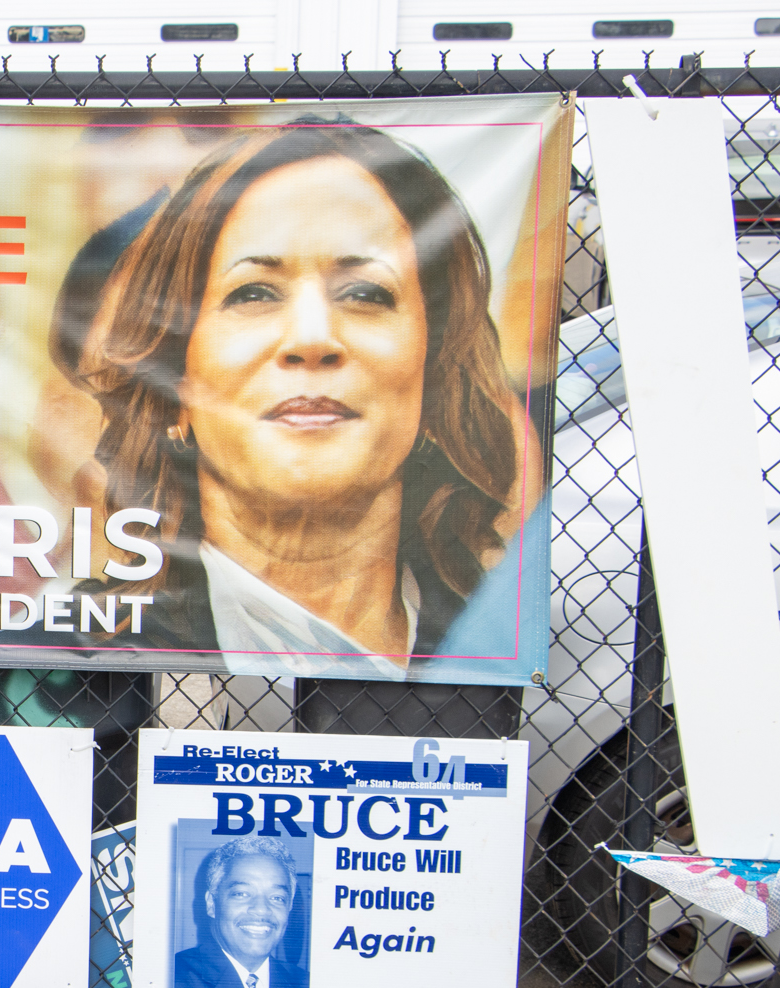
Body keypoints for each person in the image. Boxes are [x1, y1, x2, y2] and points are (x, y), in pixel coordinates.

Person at [46, 119, 540, 678]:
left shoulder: (498, 651)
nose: (311, 338)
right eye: (253, 293)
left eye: (365, 293)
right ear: (175, 382)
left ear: (436, 371)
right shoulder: (26, 667)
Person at [172, 835, 309, 988]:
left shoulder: (307, 986)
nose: (261, 910)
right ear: (211, 904)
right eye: (242, 894)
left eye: (277, 898)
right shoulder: (172, 980)